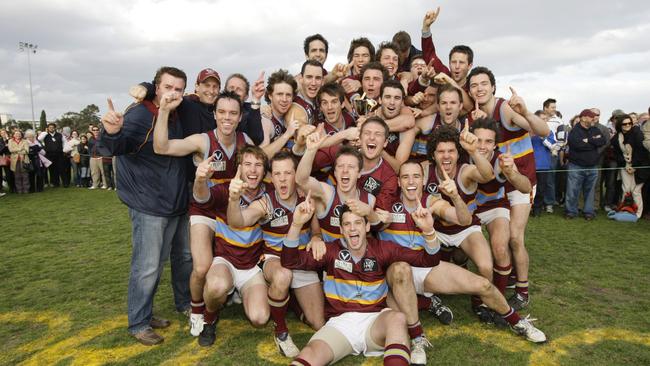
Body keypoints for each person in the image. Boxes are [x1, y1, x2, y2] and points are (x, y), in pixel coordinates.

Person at [282, 201, 441, 366]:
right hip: (339, 325)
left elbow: (429, 259)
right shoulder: (330, 251)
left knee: (397, 318)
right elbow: (289, 261)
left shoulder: (383, 249)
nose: (352, 228)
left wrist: (428, 230)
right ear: (341, 230)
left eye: (358, 222)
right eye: (347, 224)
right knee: (309, 354)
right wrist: (296, 224)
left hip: (375, 321)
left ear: (367, 227)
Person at [100, 66, 193, 346]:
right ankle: (139, 321)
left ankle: (165, 308)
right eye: (168, 87)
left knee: (171, 261)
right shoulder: (140, 114)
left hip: (174, 202)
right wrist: (113, 133)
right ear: (157, 88)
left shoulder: (176, 112)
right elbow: (118, 146)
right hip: (148, 203)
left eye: (178, 88)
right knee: (147, 265)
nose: (173, 93)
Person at [152, 90, 253, 337]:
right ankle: (197, 309)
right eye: (222, 112)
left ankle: (230, 294)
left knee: (241, 259)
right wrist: (164, 111)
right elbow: (161, 146)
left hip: (231, 210)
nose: (227, 118)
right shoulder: (203, 140)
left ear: (240, 117)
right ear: (214, 115)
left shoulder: (245, 140)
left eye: (233, 113)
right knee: (201, 268)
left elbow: (264, 159)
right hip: (205, 209)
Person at [227, 151, 326, 357]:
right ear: (271, 177)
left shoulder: (305, 195)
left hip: (301, 260)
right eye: (277, 174)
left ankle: (292, 305)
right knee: (283, 276)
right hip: (275, 259)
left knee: (318, 323)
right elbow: (237, 221)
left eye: (287, 173)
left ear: (295, 175)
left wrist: (316, 238)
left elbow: (316, 230)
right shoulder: (266, 202)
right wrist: (233, 199)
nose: (282, 178)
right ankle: (281, 332)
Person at [467, 66, 549, 311]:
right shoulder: (477, 116)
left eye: (484, 84)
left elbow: (543, 130)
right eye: (474, 85)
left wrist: (525, 112)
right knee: (502, 234)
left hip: (521, 178)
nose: (479, 89)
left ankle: (522, 290)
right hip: (501, 180)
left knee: (515, 237)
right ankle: (507, 276)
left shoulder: (505, 108)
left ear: (493, 86)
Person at [191, 145, 270, 347]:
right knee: (216, 286)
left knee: (260, 319)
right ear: (239, 167)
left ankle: (239, 294)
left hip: (252, 267)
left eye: (258, 165)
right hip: (225, 261)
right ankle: (209, 319)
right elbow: (202, 197)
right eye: (248, 164)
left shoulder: (269, 192)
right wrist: (200, 179)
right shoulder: (226, 188)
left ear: (264, 169)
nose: (253, 170)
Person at [565, 109, 606, 220]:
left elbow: (602, 141)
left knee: (590, 190)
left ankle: (588, 212)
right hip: (576, 166)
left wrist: (588, 140)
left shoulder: (595, 129)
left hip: (592, 166)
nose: (594, 119)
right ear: (583, 118)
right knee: (572, 190)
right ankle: (571, 211)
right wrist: (593, 142)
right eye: (591, 117)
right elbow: (577, 145)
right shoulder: (575, 131)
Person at [612, 114, 649, 218]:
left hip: (640, 166)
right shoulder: (617, 138)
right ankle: (625, 210)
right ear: (620, 125)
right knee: (626, 189)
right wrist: (625, 165)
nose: (628, 125)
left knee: (636, 190)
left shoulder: (637, 133)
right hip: (625, 166)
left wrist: (634, 166)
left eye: (630, 123)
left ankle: (637, 213)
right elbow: (617, 154)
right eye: (625, 124)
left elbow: (641, 151)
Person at [531, 111, 556, 217]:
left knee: (541, 189)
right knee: (528, 189)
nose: (545, 121)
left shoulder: (549, 132)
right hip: (529, 165)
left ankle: (537, 209)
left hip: (543, 165)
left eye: (546, 119)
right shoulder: (529, 131)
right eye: (542, 119)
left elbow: (552, 146)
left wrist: (542, 137)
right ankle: (527, 208)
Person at [41, 123, 63, 187]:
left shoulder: (59, 135)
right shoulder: (45, 135)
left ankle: (56, 182)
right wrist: (45, 132)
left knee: (56, 169)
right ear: (48, 128)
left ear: (55, 128)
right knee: (49, 169)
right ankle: (49, 182)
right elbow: (39, 139)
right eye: (50, 127)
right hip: (48, 154)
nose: (51, 128)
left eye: (52, 127)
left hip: (58, 154)